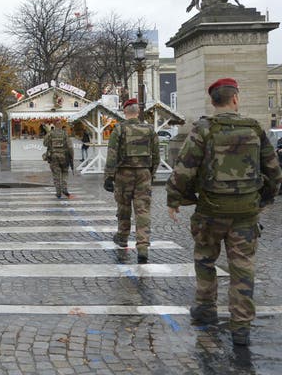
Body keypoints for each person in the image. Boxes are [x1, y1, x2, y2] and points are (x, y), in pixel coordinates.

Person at [166, 78, 281, 346]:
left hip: (210, 211)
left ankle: (205, 309)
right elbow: (274, 172)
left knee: (205, 260)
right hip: (245, 212)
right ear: (236, 99)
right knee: (242, 267)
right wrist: (264, 199)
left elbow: (184, 169)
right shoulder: (255, 129)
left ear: (213, 101)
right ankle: (241, 325)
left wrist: (175, 199)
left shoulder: (203, 130)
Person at [103, 98, 159, 264]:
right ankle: (142, 246)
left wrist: (108, 176)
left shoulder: (119, 129)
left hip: (123, 174)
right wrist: (151, 174)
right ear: (138, 112)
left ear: (125, 111)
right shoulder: (149, 129)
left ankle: (122, 237)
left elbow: (112, 154)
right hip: (143, 174)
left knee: (124, 207)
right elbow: (156, 156)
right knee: (142, 210)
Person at [43, 121, 74, 199]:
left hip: (54, 157)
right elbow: (70, 147)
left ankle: (58, 192)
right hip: (64, 157)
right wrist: (72, 157)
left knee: (56, 175)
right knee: (65, 173)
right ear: (61, 126)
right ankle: (64, 189)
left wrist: (48, 133)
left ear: (55, 126)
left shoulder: (51, 133)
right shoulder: (65, 134)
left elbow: (45, 143)